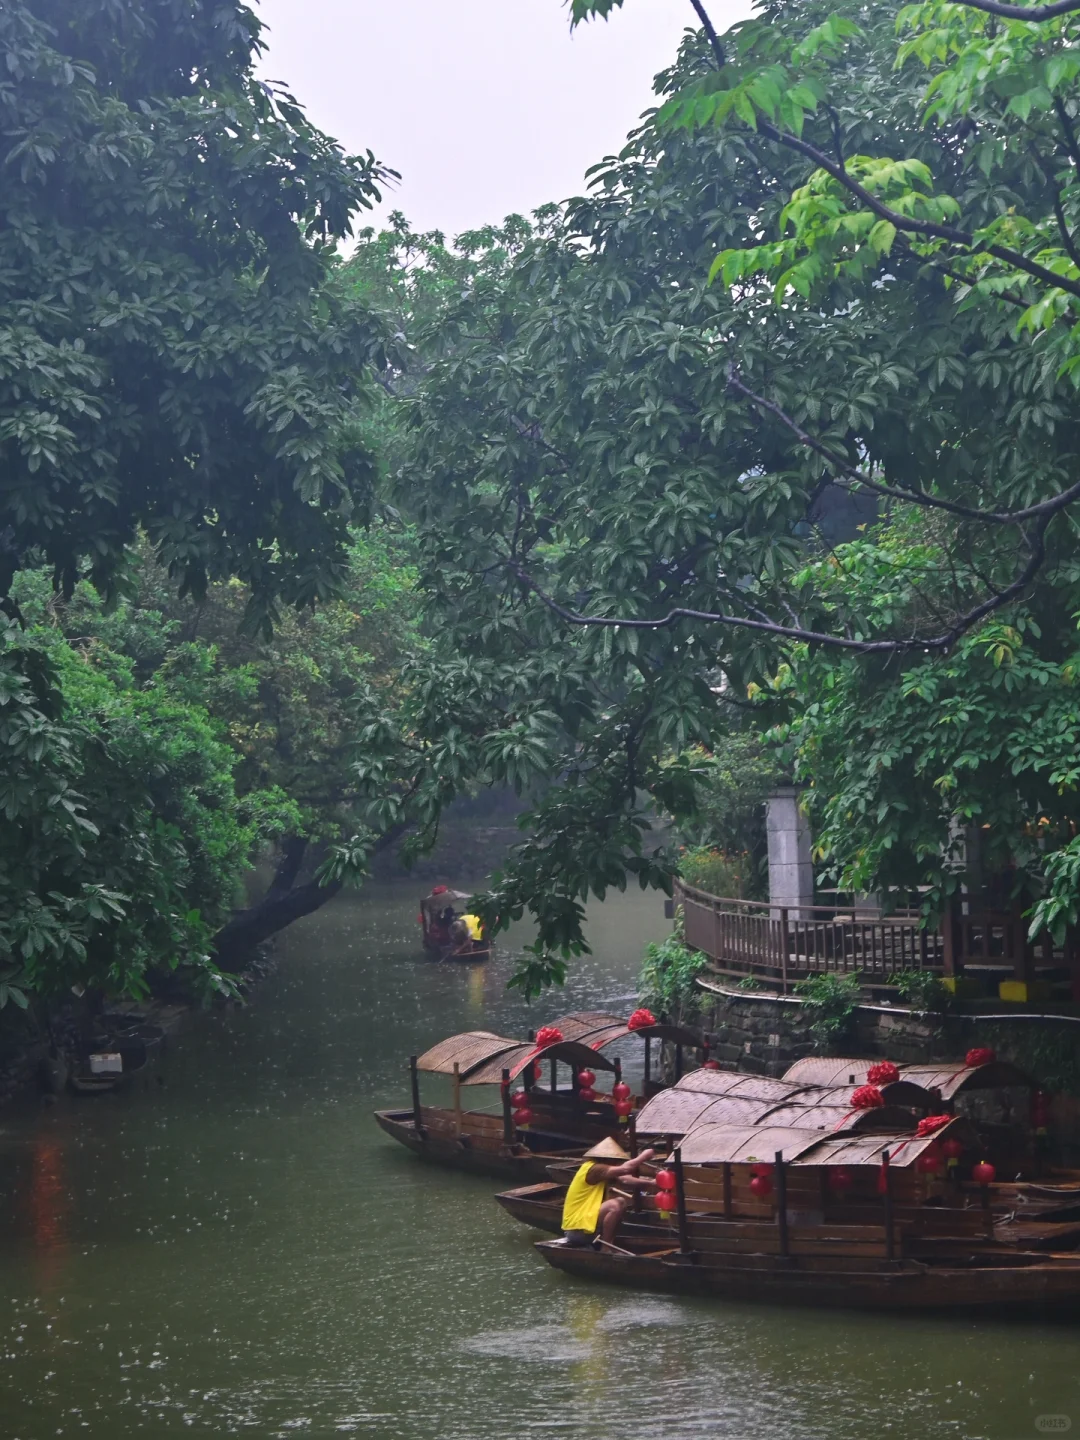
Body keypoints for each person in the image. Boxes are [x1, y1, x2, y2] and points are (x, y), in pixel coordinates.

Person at [561, 1138, 657, 1250]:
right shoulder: (594, 1168)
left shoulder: (603, 1169)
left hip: (588, 1226)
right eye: (615, 1160)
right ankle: (606, 1248)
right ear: (606, 1159)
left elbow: (625, 1179)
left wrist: (652, 1183)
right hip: (577, 1230)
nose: (616, 1163)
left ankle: (608, 1242)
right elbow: (626, 1169)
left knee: (620, 1201)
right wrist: (643, 1157)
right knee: (614, 1206)